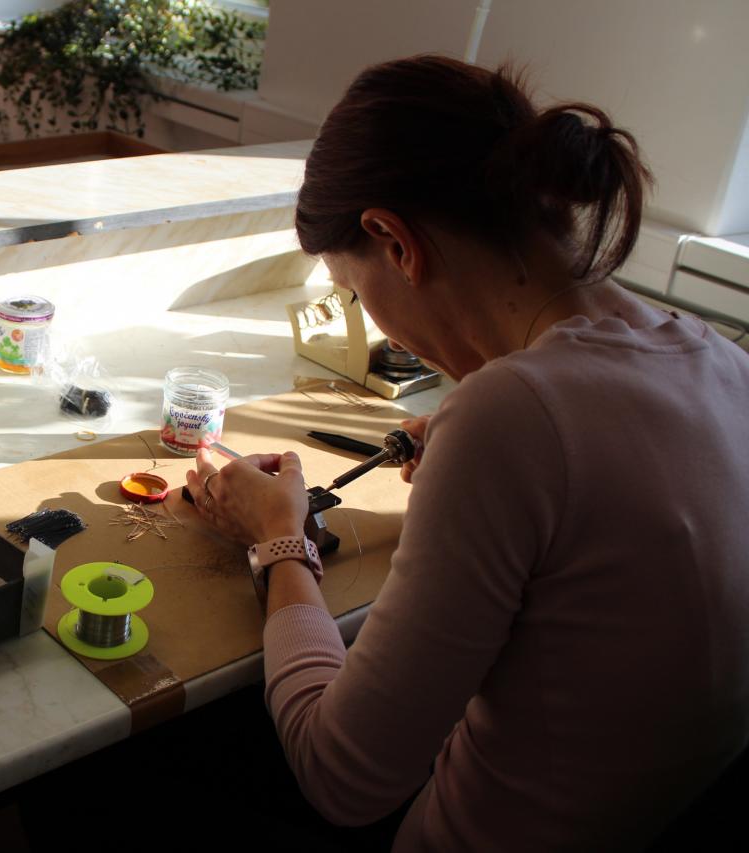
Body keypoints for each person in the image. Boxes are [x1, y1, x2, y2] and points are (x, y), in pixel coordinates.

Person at [186, 55, 749, 851]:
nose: (377, 323)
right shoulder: (719, 358)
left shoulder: (511, 417)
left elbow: (342, 776)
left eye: (357, 292)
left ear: (394, 241)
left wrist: (277, 539)